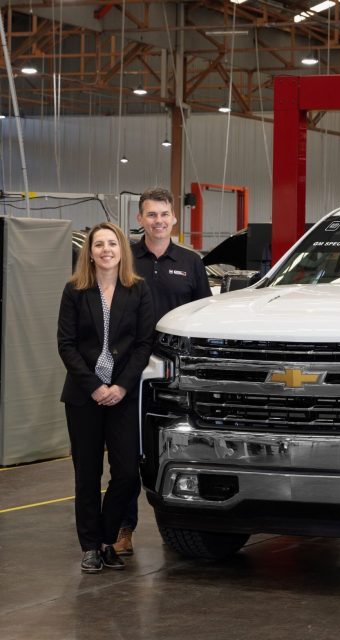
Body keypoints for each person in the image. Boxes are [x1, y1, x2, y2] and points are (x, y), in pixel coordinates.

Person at [114, 187, 212, 556]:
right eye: (150, 215)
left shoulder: (190, 262)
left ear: (174, 219)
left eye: (163, 215)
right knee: (126, 454)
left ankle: (184, 525)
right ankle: (123, 529)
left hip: (175, 379)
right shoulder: (125, 260)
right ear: (140, 219)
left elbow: (204, 319)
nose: (158, 221)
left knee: (174, 450)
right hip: (129, 373)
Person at [57, 222, 155, 573]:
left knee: (127, 473)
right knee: (87, 474)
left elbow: (145, 344)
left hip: (123, 395)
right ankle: (90, 547)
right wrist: (95, 386)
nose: (105, 250)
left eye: (112, 243)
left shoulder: (138, 290)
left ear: (121, 250)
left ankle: (106, 536)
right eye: (98, 244)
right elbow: (66, 345)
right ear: (90, 252)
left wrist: (121, 387)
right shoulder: (75, 290)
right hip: (84, 396)